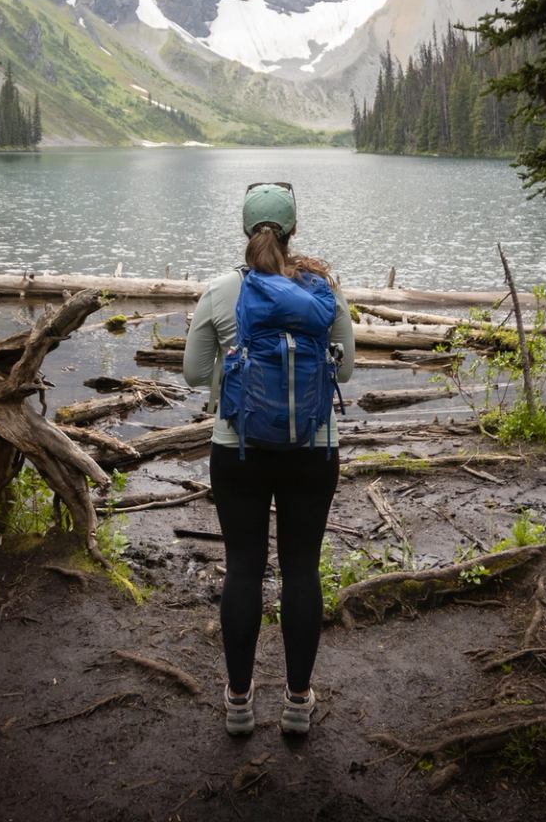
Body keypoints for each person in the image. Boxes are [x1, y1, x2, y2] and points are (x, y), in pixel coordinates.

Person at [182, 181, 354, 737]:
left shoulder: (218, 290)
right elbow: (345, 370)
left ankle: (237, 701)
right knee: (301, 569)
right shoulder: (323, 289)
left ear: (245, 229)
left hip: (238, 450)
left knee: (245, 567)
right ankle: (299, 702)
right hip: (313, 449)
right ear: (294, 230)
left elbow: (190, 374)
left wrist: (236, 382)